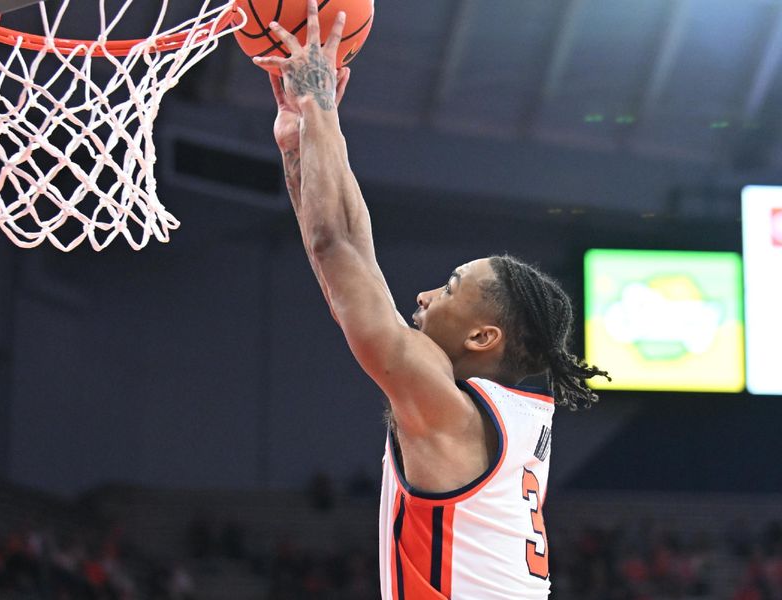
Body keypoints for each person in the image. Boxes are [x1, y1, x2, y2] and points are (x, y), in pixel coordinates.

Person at [253, 3, 610, 597]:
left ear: (482, 337)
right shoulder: (503, 416)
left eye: (448, 288)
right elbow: (346, 263)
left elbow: (340, 249)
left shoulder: (451, 412)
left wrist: (318, 109)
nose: (421, 296)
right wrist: (304, 140)